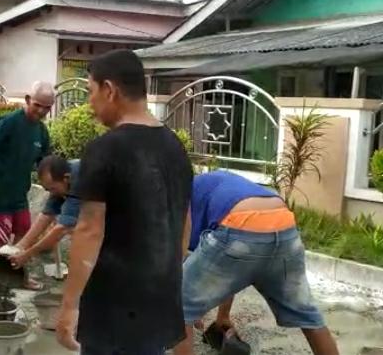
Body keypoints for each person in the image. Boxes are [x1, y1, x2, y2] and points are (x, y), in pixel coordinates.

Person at [56, 49, 194, 355]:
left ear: (109, 90)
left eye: (91, 91)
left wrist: (69, 306)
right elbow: (184, 223)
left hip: (113, 309)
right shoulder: (175, 147)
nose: (90, 103)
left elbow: (90, 229)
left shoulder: (104, 149)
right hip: (158, 302)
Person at [173, 170, 340, 355]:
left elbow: (195, 259)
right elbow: (228, 271)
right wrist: (223, 316)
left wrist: (191, 308)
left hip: (239, 226)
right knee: (309, 316)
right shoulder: (216, 183)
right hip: (284, 226)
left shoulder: (180, 196)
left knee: (177, 309)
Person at [0, 81, 55, 288]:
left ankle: (20, 277)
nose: (42, 111)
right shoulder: (9, 122)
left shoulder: (41, 131)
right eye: (38, 104)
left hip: (20, 194)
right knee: (0, 241)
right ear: (28, 100)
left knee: (23, 236)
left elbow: (45, 162)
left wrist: (53, 185)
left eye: (47, 107)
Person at [9, 155, 81, 270]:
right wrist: (19, 247)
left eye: (52, 189)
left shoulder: (80, 180)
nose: (51, 193)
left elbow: (61, 229)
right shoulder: (61, 179)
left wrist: (27, 254)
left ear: (66, 178)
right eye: (48, 189)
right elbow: (46, 215)